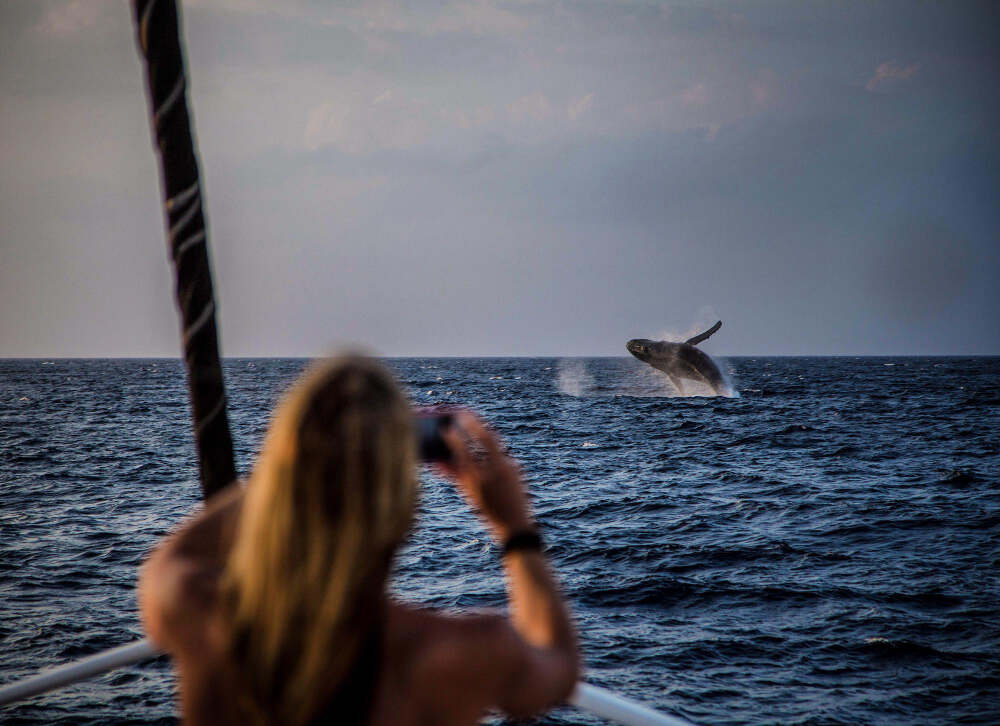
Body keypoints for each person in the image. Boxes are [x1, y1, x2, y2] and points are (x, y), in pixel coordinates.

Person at [139, 355, 579, 725]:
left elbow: (174, 557)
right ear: (402, 510)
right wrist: (513, 527)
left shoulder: (200, 611)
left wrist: (302, 459)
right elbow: (559, 667)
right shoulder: (458, 651)